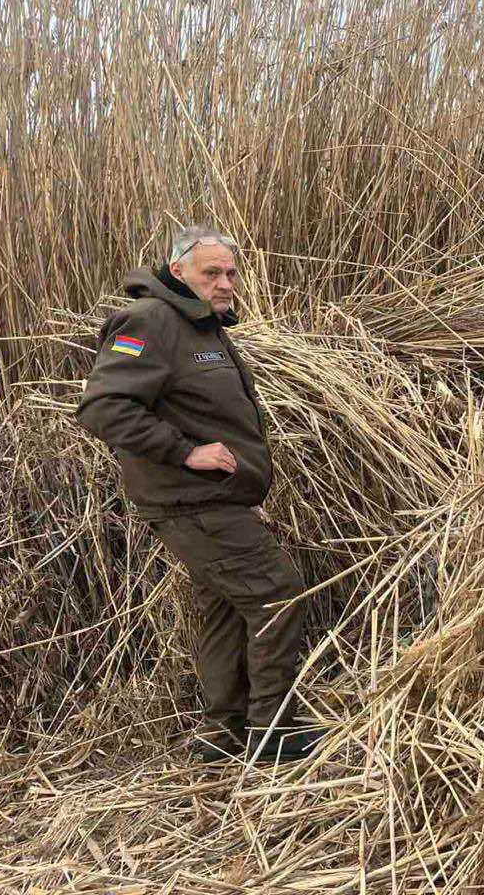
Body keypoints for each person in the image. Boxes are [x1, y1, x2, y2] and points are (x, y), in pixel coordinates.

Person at [75, 224, 319, 763]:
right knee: (277, 592)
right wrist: (186, 452)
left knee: (228, 609)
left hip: (215, 500)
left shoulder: (201, 326)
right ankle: (272, 733)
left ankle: (224, 734)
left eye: (231, 272)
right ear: (178, 271)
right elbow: (103, 407)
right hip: (190, 500)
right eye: (212, 272)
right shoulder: (151, 321)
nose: (226, 282)